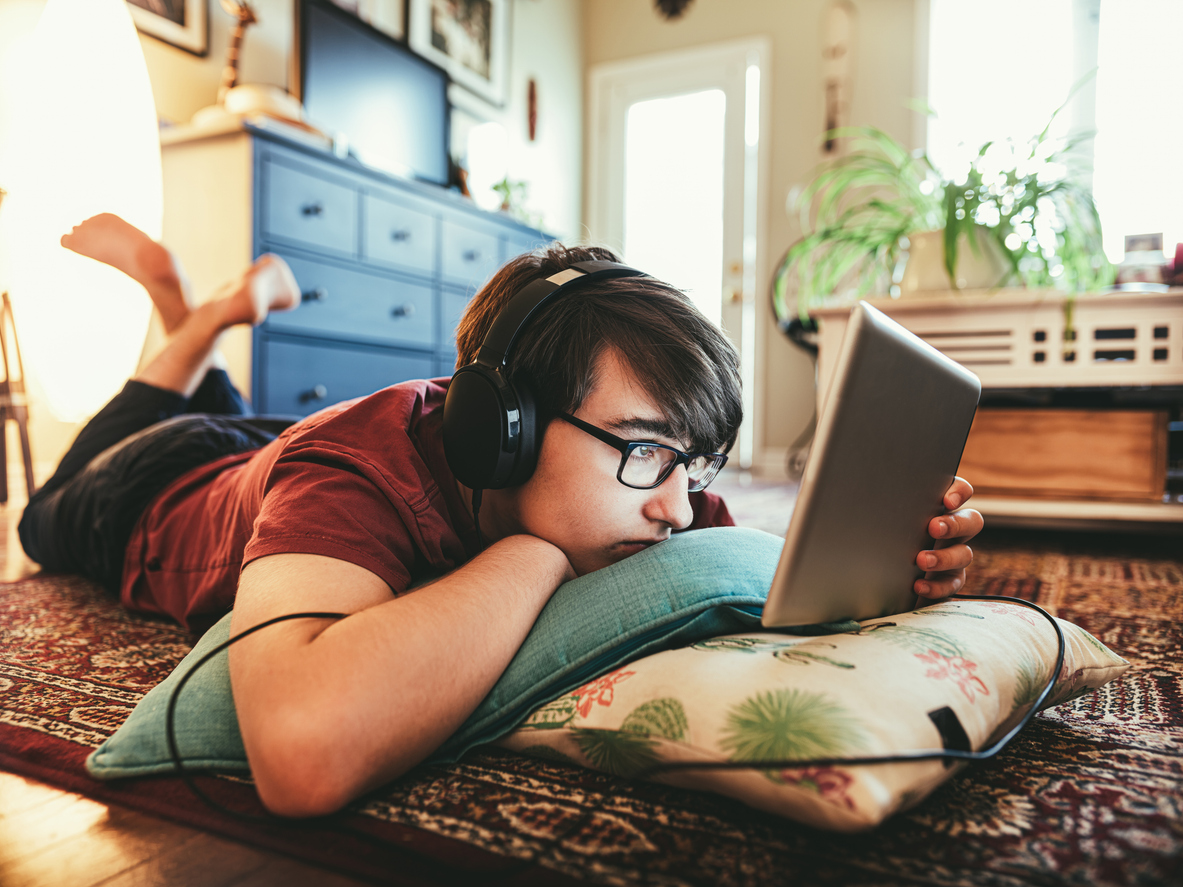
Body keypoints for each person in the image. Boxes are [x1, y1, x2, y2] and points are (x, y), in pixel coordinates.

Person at [21, 214, 984, 818]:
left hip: (255, 447)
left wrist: (894, 558)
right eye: (644, 448)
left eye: (691, 462)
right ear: (501, 429)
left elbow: (747, 563)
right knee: (52, 499)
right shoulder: (352, 469)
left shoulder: (649, 489)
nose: (675, 504)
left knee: (226, 411)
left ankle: (200, 314)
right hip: (146, 487)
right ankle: (186, 306)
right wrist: (534, 555)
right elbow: (301, 754)